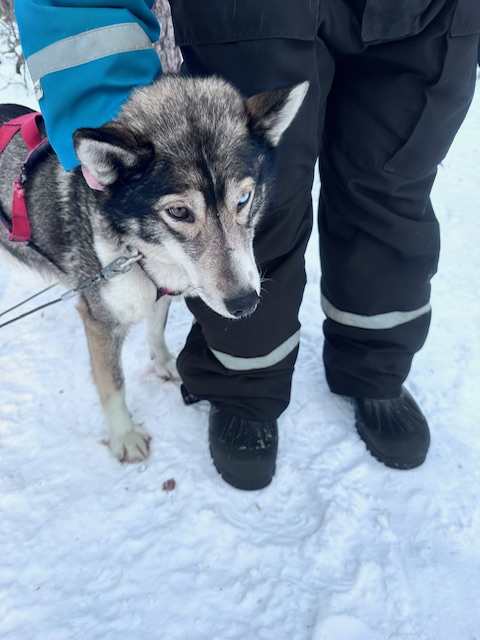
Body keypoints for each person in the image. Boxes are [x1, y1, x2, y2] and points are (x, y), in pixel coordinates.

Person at [14, 0, 480, 490]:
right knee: (277, 209)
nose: (237, 277)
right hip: (257, 11)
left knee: (392, 190)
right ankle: (244, 386)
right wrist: (111, 108)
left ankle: (377, 366)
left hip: (433, 13)